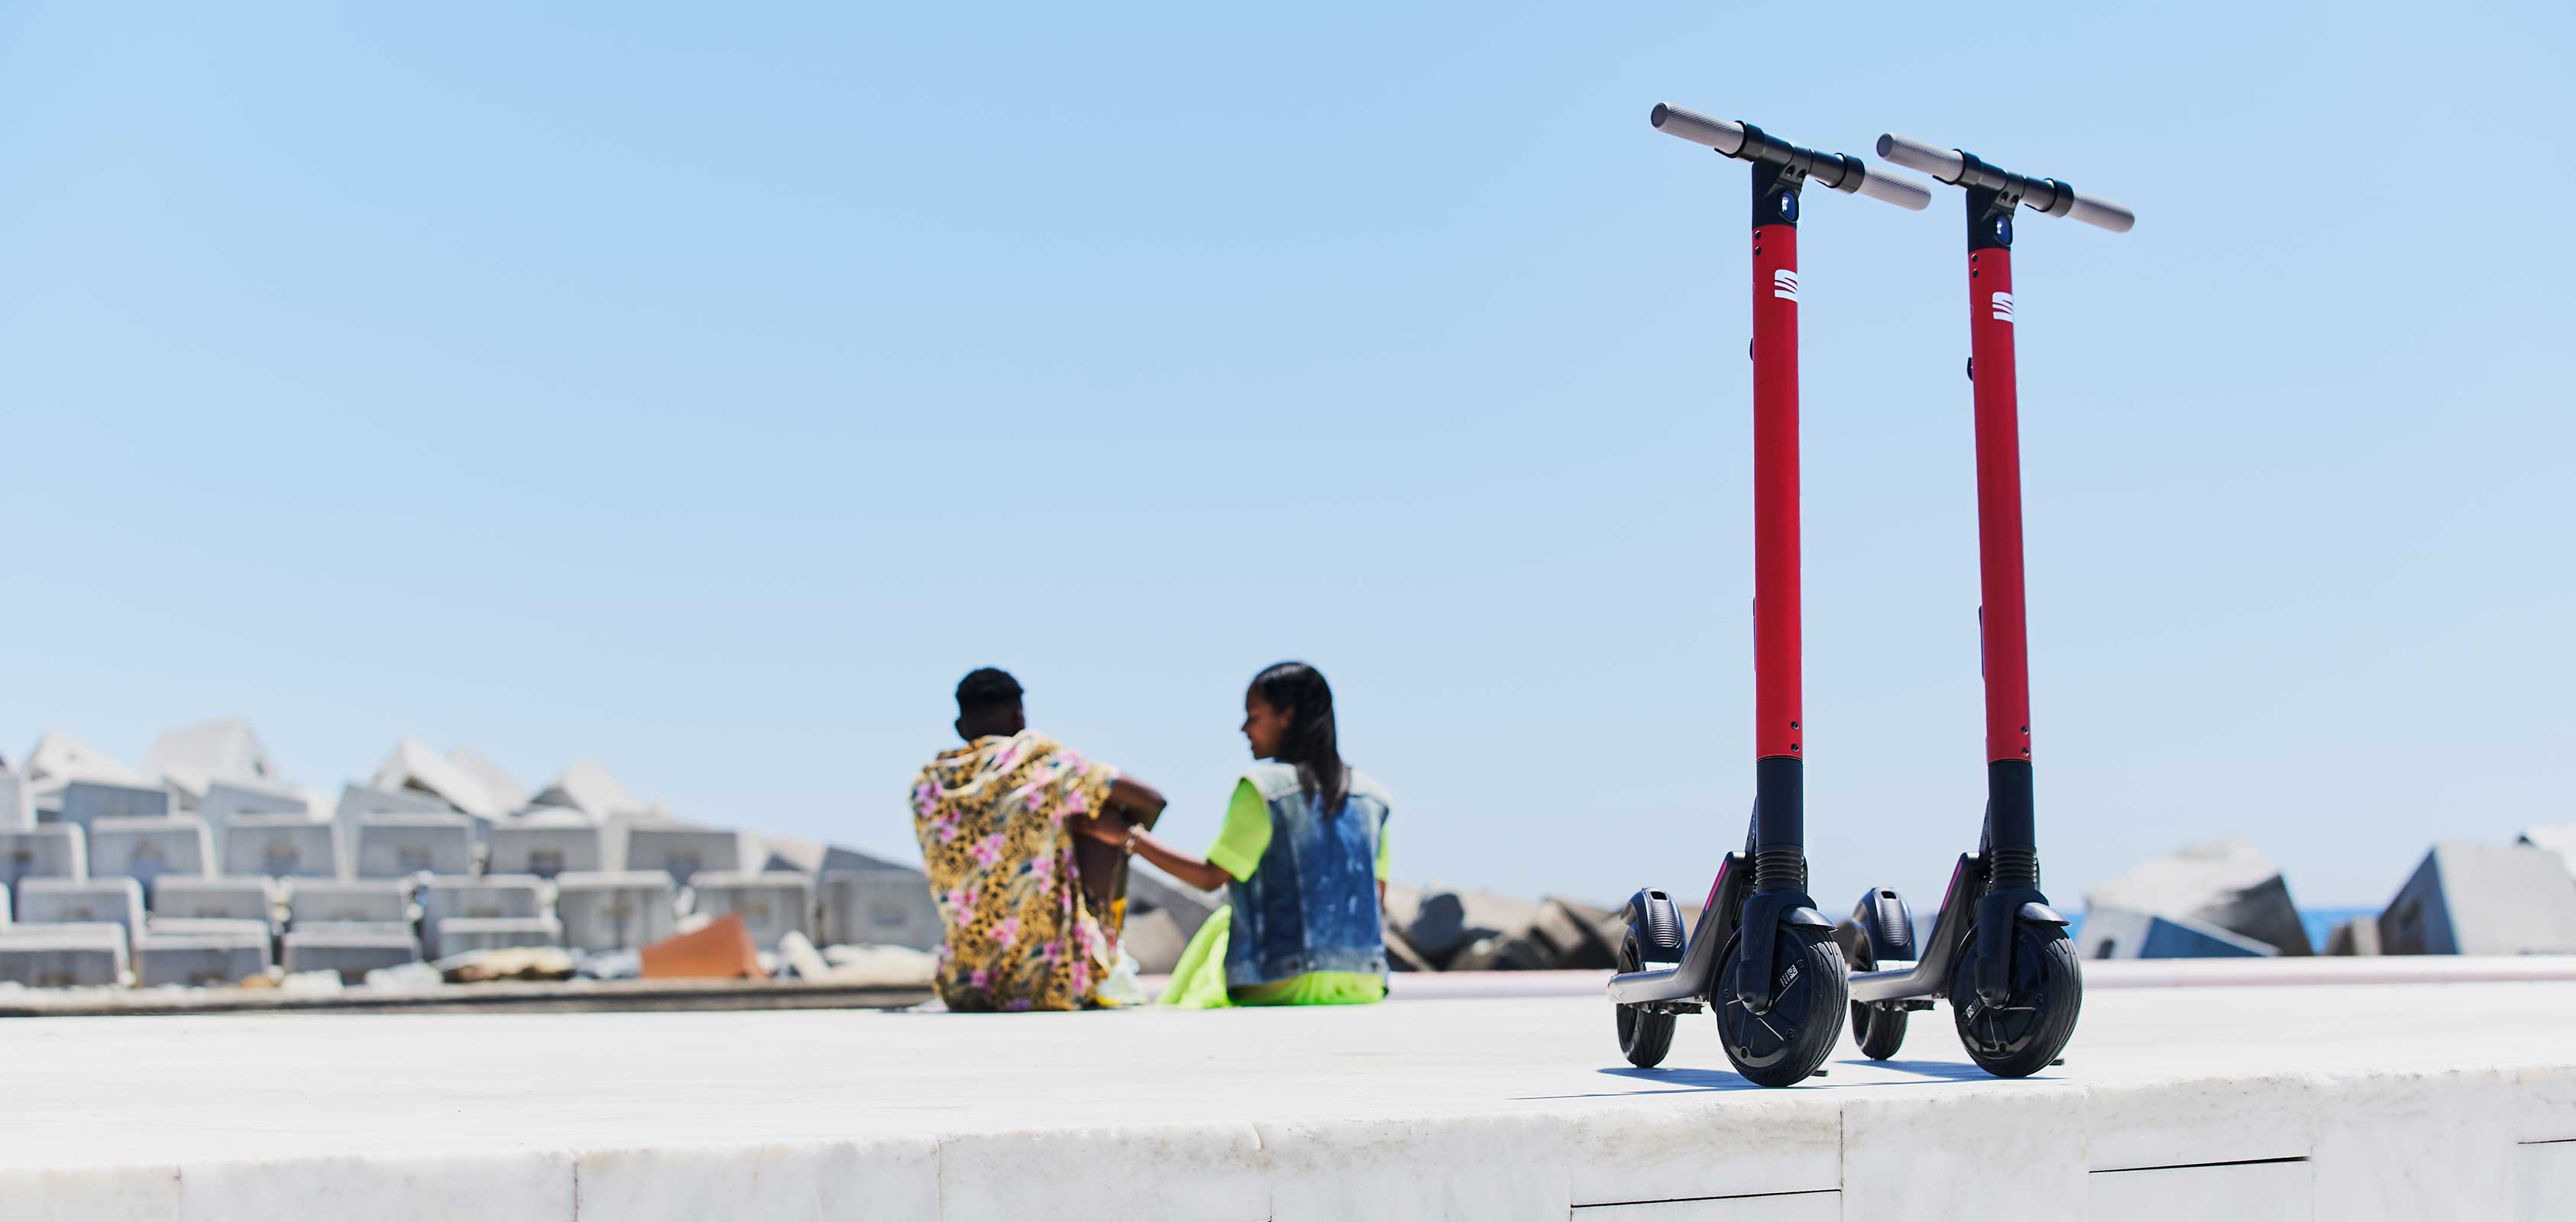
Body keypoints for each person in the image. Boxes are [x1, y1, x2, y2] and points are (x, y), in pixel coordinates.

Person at [1083, 661, 1393, 1007]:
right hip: (1363, 980)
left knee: (1219, 930)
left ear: (1287, 716)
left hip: (1279, 979)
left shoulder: (1263, 788)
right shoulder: (1373, 797)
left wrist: (1128, 837)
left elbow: (1210, 877)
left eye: (1253, 716)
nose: (1244, 728)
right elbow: (1375, 896)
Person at [909, 667, 1167, 1011]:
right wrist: (1115, 836)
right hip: (1052, 985)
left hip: (964, 985)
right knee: (1097, 815)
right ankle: (1106, 945)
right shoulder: (1040, 762)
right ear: (1020, 717)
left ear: (960, 727)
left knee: (1058, 817)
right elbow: (1151, 800)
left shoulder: (927, 786)